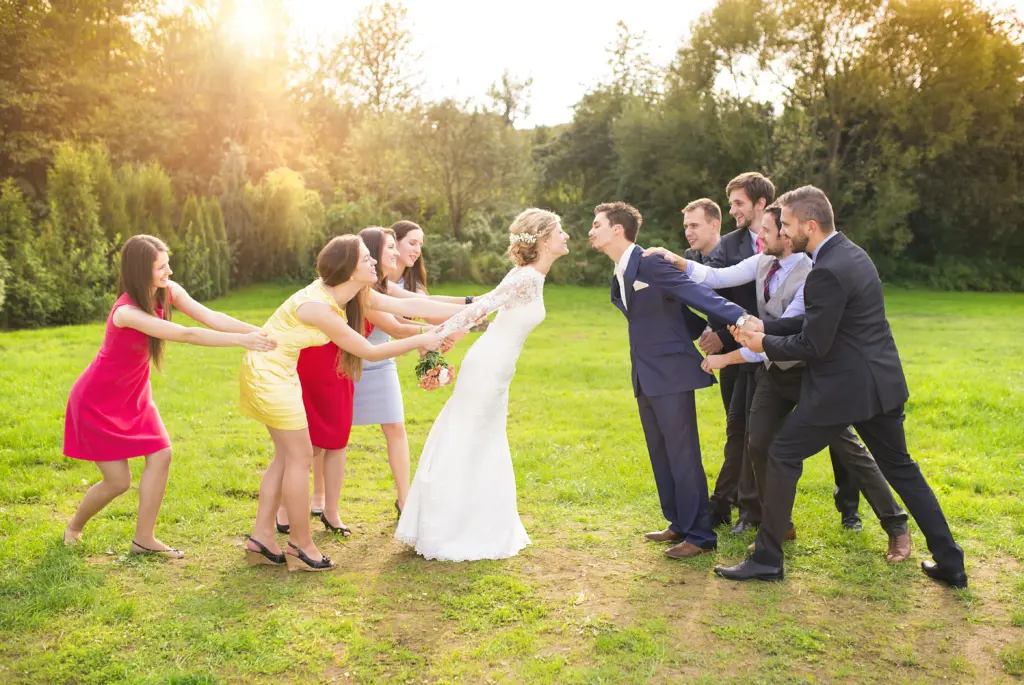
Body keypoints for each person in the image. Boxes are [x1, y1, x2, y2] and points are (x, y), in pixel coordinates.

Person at [716, 186, 967, 588]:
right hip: (881, 384)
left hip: (843, 390)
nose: (785, 231)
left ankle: (767, 559)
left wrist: (764, 343)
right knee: (903, 470)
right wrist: (767, 326)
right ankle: (951, 561)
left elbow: (814, 344)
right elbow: (820, 321)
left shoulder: (825, 270)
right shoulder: (852, 253)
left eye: (789, 225)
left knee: (782, 452)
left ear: (809, 226)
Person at [645, 205, 911, 562]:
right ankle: (779, 523)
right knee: (758, 443)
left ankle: (896, 525)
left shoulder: (810, 274)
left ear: (786, 236)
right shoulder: (761, 262)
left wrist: (726, 357)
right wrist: (676, 261)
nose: (762, 239)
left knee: (848, 447)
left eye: (768, 232)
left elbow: (781, 335)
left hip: (807, 372)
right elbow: (714, 277)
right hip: (772, 371)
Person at [241, 235, 454, 572]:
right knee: (298, 457)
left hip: (276, 371)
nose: (374, 263)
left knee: (286, 457)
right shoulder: (319, 307)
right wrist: (424, 338)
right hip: (269, 374)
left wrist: (473, 308)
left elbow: (408, 307)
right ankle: (300, 545)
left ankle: (261, 538)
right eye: (367, 258)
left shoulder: (350, 294)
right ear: (348, 267)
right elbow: (367, 351)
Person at [63, 234, 276, 558]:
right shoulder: (127, 312)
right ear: (139, 271)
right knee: (118, 481)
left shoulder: (168, 292)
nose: (169, 272)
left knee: (161, 454)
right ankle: (73, 527)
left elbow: (209, 317)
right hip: (98, 400)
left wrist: (259, 331)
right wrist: (241, 341)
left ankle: (143, 539)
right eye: (161, 267)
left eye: (167, 264)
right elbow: (186, 333)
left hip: (134, 396)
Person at [395, 209, 568, 561]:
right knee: (468, 438)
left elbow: (491, 313)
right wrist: (435, 336)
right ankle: (450, 528)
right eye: (561, 231)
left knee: (478, 438)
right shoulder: (527, 278)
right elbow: (481, 307)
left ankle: (467, 521)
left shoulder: (528, 276)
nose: (567, 236)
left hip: (497, 368)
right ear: (545, 240)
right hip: (487, 369)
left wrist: (455, 336)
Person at [588, 201, 753, 559]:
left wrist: (737, 320)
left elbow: (695, 294)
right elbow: (673, 311)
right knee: (661, 452)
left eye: (597, 224)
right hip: (645, 374)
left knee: (682, 454)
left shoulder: (649, 262)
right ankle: (678, 522)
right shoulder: (619, 273)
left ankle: (700, 535)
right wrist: (700, 332)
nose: (591, 230)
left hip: (672, 372)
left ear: (618, 230)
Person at [704, 173, 771, 534]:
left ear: (760, 203)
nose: (733, 211)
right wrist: (719, 331)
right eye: (730, 204)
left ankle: (851, 508)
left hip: (779, 351)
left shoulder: (785, 241)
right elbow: (711, 290)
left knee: (764, 437)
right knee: (738, 432)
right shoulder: (728, 246)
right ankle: (736, 509)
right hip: (735, 354)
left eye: (738, 203)